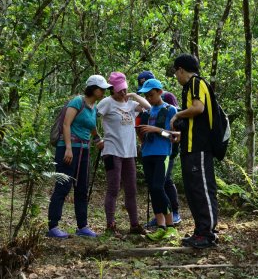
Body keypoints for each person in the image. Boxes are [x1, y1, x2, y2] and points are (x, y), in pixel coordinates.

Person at [46, 75, 110, 238]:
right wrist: (68, 148)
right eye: (101, 89)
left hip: (84, 150)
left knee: (82, 188)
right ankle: (53, 226)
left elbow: (91, 126)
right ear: (93, 89)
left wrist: (97, 139)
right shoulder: (77, 101)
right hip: (68, 149)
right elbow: (67, 124)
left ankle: (82, 226)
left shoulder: (93, 107)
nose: (104, 91)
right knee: (63, 186)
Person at [170, 54, 219, 248]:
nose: (176, 76)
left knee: (202, 189)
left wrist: (177, 114)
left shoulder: (196, 83)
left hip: (200, 147)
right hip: (189, 147)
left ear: (181, 69)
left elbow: (198, 108)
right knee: (192, 190)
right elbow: (194, 120)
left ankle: (208, 233)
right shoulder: (188, 88)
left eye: (176, 72)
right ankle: (200, 232)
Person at [97, 72, 150, 237]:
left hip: (129, 152)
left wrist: (133, 95)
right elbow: (92, 117)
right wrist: (97, 138)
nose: (122, 92)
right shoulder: (107, 103)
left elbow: (148, 106)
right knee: (113, 188)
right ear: (112, 89)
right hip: (112, 151)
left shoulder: (131, 104)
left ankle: (134, 224)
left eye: (124, 89)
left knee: (131, 189)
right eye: (119, 90)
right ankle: (110, 225)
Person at [137, 71, 183, 227]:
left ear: (160, 92)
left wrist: (156, 130)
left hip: (162, 153)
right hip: (147, 153)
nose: (148, 98)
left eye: (151, 95)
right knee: (152, 188)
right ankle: (160, 224)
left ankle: (170, 223)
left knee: (158, 186)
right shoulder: (147, 112)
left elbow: (176, 135)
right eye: (146, 96)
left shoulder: (170, 110)